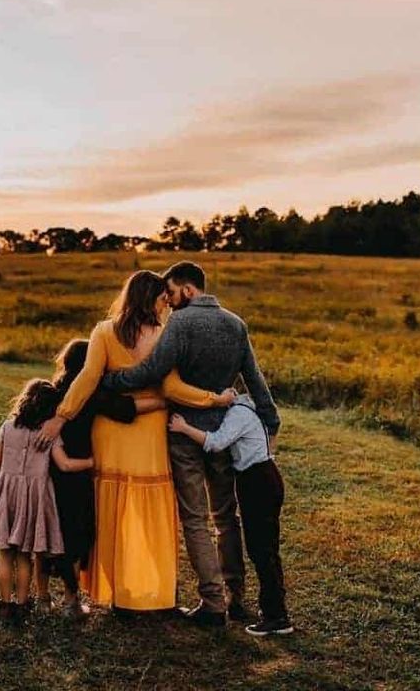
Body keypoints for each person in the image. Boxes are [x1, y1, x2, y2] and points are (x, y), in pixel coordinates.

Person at [35, 271, 235, 612]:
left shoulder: (103, 331)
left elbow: (87, 379)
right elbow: (171, 390)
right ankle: (155, 594)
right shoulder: (164, 336)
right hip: (151, 435)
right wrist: (214, 398)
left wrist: (61, 416)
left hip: (110, 434)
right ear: (150, 299)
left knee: (114, 516)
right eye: (162, 299)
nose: (166, 306)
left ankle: (120, 595)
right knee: (150, 515)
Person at [101, 261, 281, 627]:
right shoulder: (236, 324)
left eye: (170, 292)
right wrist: (270, 418)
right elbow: (254, 378)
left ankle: (213, 603)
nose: (167, 299)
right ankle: (236, 598)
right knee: (227, 518)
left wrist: (113, 380)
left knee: (196, 520)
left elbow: (153, 372)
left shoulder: (180, 323)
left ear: (187, 290)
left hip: (184, 433)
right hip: (222, 434)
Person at [39, 338, 167, 618]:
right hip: (77, 473)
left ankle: (43, 596)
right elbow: (125, 409)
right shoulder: (88, 392)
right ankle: (71, 601)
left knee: (49, 532)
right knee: (76, 535)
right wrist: (160, 401)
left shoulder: (52, 391)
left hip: (46, 473)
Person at [169, 393, 293, 636]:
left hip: (257, 480)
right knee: (265, 549)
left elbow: (215, 442)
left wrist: (183, 427)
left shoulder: (237, 414)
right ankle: (274, 611)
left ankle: (277, 617)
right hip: (262, 477)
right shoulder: (248, 407)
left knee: (262, 550)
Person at [0, 378, 91, 621]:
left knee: (5, 553)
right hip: (33, 500)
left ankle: (5, 604)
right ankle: (22, 603)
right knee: (24, 555)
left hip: (6, 493)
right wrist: (94, 462)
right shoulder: (49, 435)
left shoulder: (8, 427)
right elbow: (65, 464)